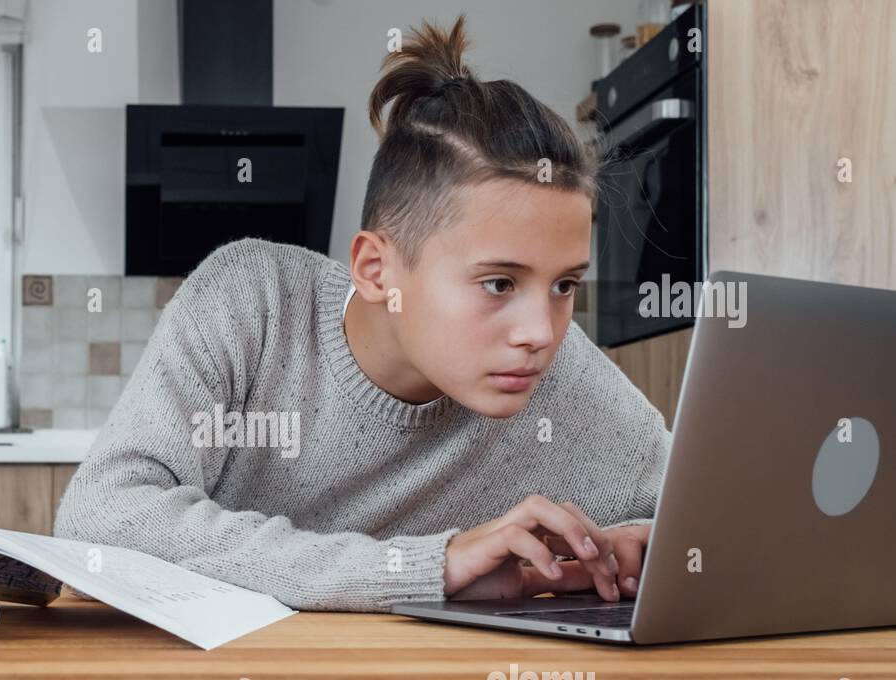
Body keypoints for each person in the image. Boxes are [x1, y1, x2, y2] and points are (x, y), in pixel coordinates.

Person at [55, 15, 669, 612]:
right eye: (499, 282)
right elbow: (100, 519)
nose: (541, 333)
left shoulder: (563, 377)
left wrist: (634, 545)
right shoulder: (255, 299)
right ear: (376, 270)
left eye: (565, 285)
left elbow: (713, 514)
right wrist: (431, 567)